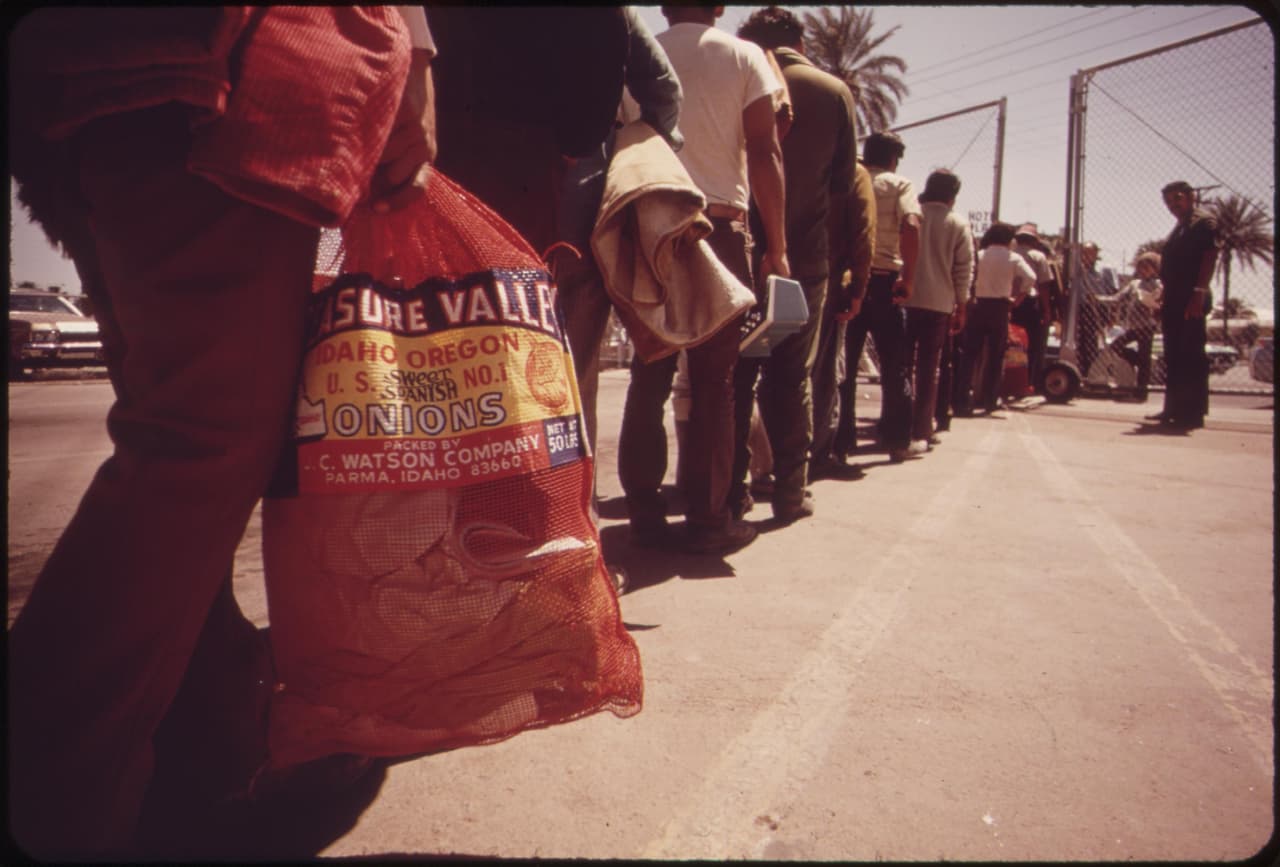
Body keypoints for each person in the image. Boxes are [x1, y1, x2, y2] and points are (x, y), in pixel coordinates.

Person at [6, 7, 437, 859]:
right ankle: (48, 795)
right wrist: (416, 50)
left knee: (184, 446)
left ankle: (198, 755)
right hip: (215, 75)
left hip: (100, 75)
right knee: (200, 445)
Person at [617, 3, 789, 555]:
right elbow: (765, 152)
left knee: (650, 375)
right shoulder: (745, 57)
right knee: (718, 383)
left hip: (652, 225)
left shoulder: (643, 49)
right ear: (720, 7)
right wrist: (777, 250)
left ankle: (644, 512)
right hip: (721, 228)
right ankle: (710, 519)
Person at [729, 6, 857, 523]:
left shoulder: (736, 74)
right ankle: (789, 491)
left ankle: (729, 491)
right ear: (799, 43)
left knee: (736, 376)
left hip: (736, 254)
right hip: (804, 259)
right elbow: (844, 185)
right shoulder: (834, 92)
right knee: (793, 377)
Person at [836, 131, 920, 463]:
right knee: (894, 367)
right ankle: (898, 440)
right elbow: (911, 225)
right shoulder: (900, 185)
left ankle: (840, 443)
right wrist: (909, 278)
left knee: (844, 367)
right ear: (894, 158)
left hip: (848, 280)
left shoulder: (848, 177)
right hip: (885, 283)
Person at [809, 165, 876, 478]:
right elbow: (864, 232)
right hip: (827, 282)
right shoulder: (853, 173)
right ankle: (815, 457)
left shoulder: (784, 151)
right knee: (823, 375)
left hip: (778, 275)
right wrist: (859, 289)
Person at [903, 169, 974, 456]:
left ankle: (897, 425)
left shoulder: (912, 214)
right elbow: (963, 269)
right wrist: (962, 305)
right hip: (940, 303)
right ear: (952, 195)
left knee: (901, 365)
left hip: (906, 299)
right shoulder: (957, 224)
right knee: (928, 369)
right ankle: (922, 429)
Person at [1149, 180, 1219, 429]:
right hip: (1175, 298)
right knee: (1174, 354)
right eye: (1168, 202)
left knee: (1190, 355)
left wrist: (1198, 293)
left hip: (1192, 297)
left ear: (1190, 197)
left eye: (1176, 199)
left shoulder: (1202, 222)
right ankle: (1173, 408)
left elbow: (1209, 256)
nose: (1172, 206)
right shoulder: (1180, 227)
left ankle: (1191, 414)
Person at [954, 222, 1036, 416]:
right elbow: (1030, 278)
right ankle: (990, 400)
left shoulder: (980, 256)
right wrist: (1018, 299)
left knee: (970, 355)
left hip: (977, 305)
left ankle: (961, 399)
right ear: (1009, 239)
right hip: (1000, 307)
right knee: (995, 356)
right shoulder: (1013, 258)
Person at [1102, 251, 1162, 401]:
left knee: (1144, 356)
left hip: (1147, 325)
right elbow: (1118, 298)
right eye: (1140, 267)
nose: (1142, 271)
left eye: (1146, 268)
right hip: (1133, 325)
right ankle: (1138, 361)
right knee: (1115, 346)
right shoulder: (1135, 283)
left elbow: (1158, 303)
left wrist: (1151, 302)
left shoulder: (1158, 284)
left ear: (1154, 269)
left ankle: (1141, 392)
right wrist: (1101, 298)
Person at [1010, 223, 1059, 395]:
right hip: (1031, 304)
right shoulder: (1038, 256)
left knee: (1012, 342)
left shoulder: (1011, 254)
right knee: (1034, 344)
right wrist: (1047, 310)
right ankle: (1031, 382)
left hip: (1011, 302)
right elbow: (1044, 286)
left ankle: (1010, 381)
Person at [1071, 240, 1118, 381]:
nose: (1086, 256)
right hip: (1080, 308)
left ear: (1096, 254)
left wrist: (1113, 314)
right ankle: (1081, 371)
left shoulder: (1105, 271)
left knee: (1093, 341)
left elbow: (1112, 292)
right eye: (1084, 253)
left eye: (1090, 253)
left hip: (1097, 308)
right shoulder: (1076, 270)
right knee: (1080, 341)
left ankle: (1093, 370)